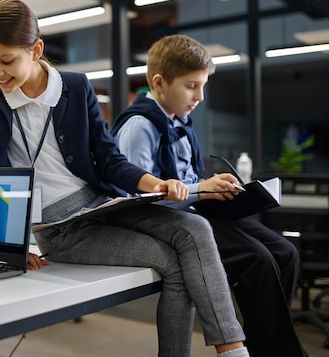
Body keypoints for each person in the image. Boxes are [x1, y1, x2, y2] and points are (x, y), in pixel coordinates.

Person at [0, 0, 249, 357]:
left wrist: (156, 184)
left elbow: (109, 159)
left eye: (6, 60)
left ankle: (234, 350)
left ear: (36, 50)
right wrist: (11, 245)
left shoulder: (75, 86)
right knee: (173, 262)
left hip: (101, 203)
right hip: (58, 228)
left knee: (195, 229)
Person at [111, 34, 307, 357]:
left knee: (286, 253)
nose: (200, 96)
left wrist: (211, 185)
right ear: (159, 83)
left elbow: (186, 178)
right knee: (255, 259)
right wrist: (202, 189)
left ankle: (265, 346)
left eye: (203, 86)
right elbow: (140, 197)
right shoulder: (139, 127)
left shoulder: (180, 123)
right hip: (170, 220)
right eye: (191, 86)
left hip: (196, 209)